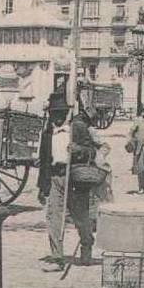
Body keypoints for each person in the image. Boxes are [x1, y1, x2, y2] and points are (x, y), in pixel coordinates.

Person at [37, 91, 101, 271]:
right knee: (54, 218)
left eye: (60, 113)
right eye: (53, 114)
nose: (57, 118)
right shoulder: (47, 133)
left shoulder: (78, 128)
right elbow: (43, 162)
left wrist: (79, 150)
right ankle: (57, 257)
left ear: (66, 114)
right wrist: (42, 187)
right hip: (55, 178)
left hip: (75, 178)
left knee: (81, 218)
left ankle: (87, 245)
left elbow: (93, 152)